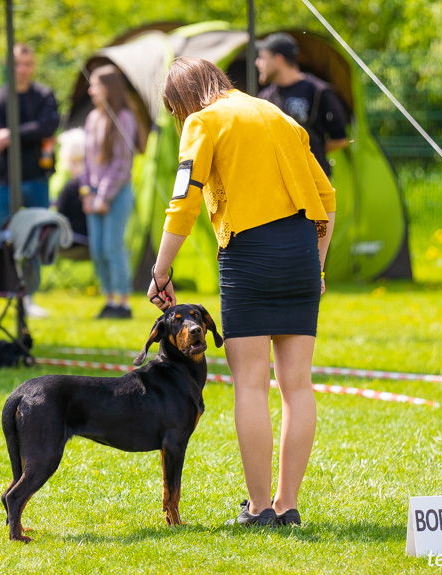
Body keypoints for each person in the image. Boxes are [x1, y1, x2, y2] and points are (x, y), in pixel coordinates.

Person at [148, 57, 335, 526]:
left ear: (182, 100)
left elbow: (184, 198)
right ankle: (288, 505)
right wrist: (318, 265)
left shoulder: (202, 121)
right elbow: (326, 197)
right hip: (299, 254)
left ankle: (258, 508)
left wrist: (160, 269)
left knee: (250, 384)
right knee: (297, 385)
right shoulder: (279, 115)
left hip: (249, 255)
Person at [81, 65, 138, 319]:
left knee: (113, 246)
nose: (91, 90)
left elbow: (122, 164)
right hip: (93, 194)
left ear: (108, 88)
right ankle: (109, 298)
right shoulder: (93, 118)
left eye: (95, 85)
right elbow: (86, 160)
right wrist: (87, 192)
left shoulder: (124, 118)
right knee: (98, 248)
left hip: (116, 193)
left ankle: (123, 302)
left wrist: (103, 196)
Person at [0, 42, 60, 230]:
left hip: (37, 176)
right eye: (18, 63)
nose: (23, 69)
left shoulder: (44, 95)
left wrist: (11, 133)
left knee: (38, 234)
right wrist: (30, 132)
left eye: (28, 64)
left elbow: (47, 128)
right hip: (5, 179)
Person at [255, 33, 349, 176]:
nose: (257, 63)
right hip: (277, 180)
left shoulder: (319, 91)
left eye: (262, 57)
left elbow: (340, 139)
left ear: (278, 59)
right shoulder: (264, 98)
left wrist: (308, 151)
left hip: (312, 179)